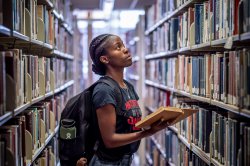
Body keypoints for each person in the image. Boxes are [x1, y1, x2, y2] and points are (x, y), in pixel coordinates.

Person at [81, 34, 169, 166]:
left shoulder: (128, 86)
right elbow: (110, 140)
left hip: (125, 160)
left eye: (123, 45)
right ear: (105, 59)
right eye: (118, 47)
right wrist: (148, 132)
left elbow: (128, 125)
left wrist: (153, 122)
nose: (126, 49)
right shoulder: (104, 90)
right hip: (107, 163)